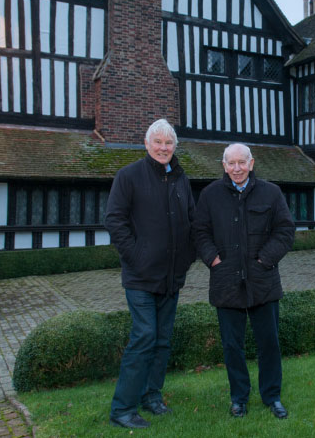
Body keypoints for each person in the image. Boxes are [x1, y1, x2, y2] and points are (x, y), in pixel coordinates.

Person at [104, 119, 196, 429]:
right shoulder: (128, 176)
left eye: (168, 143)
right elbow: (114, 220)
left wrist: (186, 259)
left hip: (171, 278)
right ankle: (122, 409)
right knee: (144, 337)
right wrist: (136, 257)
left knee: (162, 340)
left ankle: (151, 397)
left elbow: (193, 222)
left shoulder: (181, 179)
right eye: (157, 142)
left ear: (175, 147)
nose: (163, 147)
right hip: (140, 278)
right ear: (146, 145)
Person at [193, 143, 295, 419]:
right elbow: (200, 232)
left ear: (251, 163)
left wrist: (264, 260)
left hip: (263, 281)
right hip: (226, 283)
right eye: (231, 163)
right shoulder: (210, 195)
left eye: (242, 162)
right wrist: (214, 260)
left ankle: (272, 396)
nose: (237, 168)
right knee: (232, 346)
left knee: (269, 344)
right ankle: (239, 398)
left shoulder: (271, 193)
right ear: (224, 166)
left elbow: (285, 231)